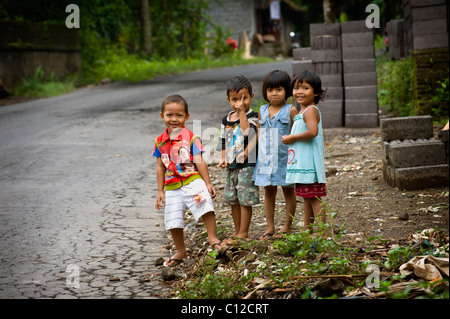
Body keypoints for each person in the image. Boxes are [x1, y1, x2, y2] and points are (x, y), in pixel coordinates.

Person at [153, 94, 224, 267]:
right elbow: (160, 167)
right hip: (171, 186)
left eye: (179, 115)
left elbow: (200, 161)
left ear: (187, 117)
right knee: (172, 218)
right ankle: (181, 250)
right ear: (162, 116)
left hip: (192, 180)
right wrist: (160, 191)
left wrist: (207, 183)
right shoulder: (159, 141)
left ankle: (213, 238)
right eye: (169, 115)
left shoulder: (191, 138)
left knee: (205, 203)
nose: (174, 119)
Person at [253, 70, 298, 240]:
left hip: (285, 159)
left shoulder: (291, 110)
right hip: (265, 160)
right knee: (269, 193)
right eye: (270, 90)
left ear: (287, 90)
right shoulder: (262, 110)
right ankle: (270, 227)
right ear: (265, 92)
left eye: (279, 89)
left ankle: (287, 226)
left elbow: (297, 133)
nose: (274, 93)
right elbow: (258, 134)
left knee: (288, 192)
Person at [281, 70, 327, 232]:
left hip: (310, 165)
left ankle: (323, 234)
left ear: (316, 93)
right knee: (307, 198)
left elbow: (313, 132)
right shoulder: (301, 112)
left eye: (305, 88)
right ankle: (308, 232)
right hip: (303, 165)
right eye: (296, 87)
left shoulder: (310, 111)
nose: (299, 91)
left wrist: (293, 138)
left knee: (314, 198)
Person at [217, 75, 259, 244]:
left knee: (244, 199)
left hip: (247, 165)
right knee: (233, 200)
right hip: (232, 165)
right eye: (235, 99)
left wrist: (242, 112)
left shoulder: (254, 116)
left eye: (244, 98)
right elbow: (224, 141)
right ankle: (237, 232)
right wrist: (223, 158)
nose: (239, 103)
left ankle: (244, 233)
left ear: (252, 97)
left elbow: (246, 132)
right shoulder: (226, 119)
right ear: (228, 99)